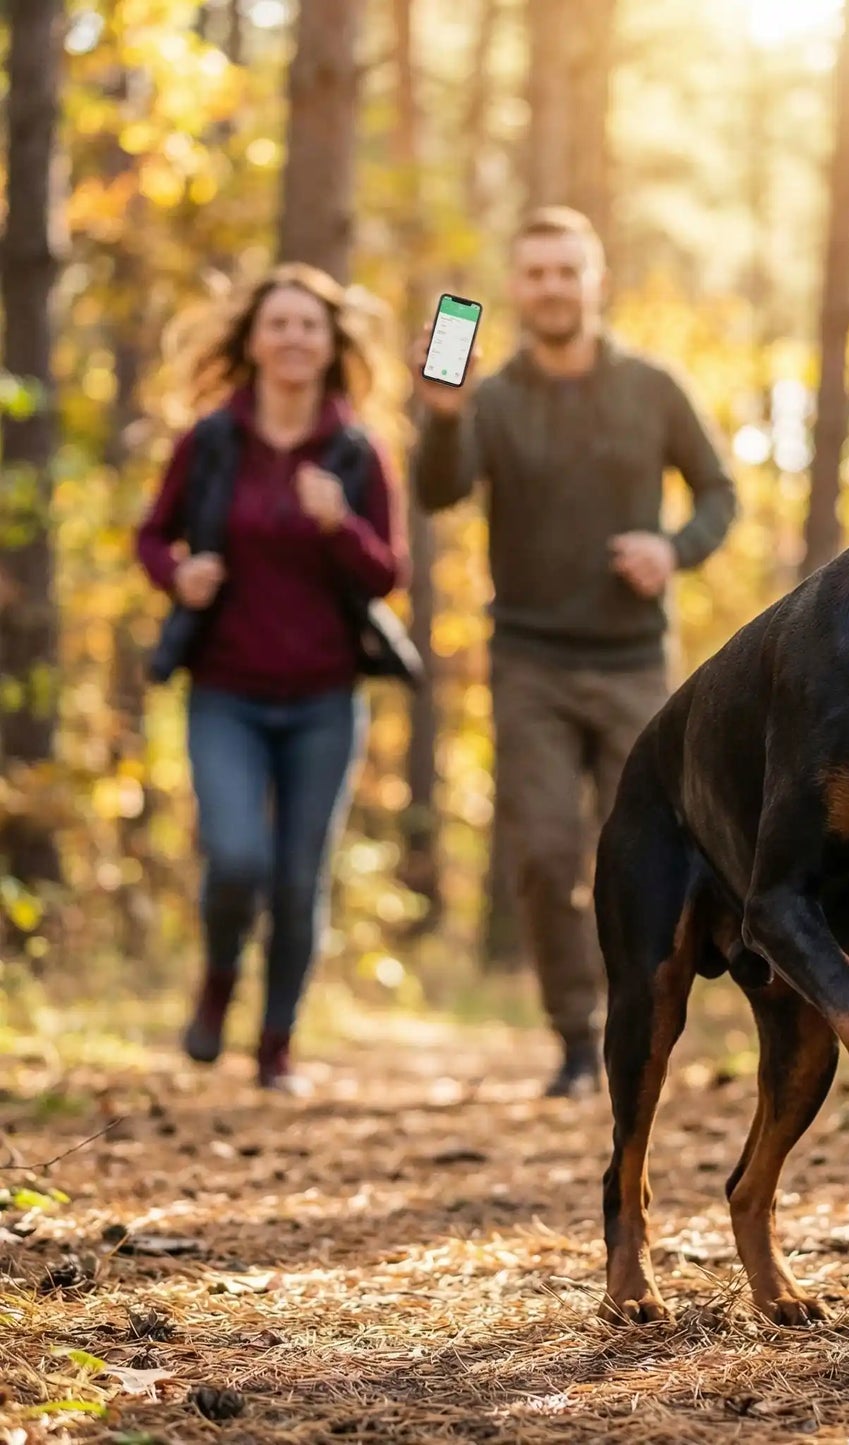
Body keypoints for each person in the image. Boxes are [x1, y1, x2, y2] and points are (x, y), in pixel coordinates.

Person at [412, 207, 737, 1099]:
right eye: (536, 273)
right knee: (547, 853)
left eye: (567, 271)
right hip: (530, 662)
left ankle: (642, 1019)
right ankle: (572, 1033)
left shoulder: (652, 386)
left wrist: (673, 548)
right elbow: (438, 492)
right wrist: (441, 416)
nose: (552, 287)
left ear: (595, 281)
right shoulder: (492, 399)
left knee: (651, 855)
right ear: (516, 288)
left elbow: (718, 491)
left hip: (635, 661)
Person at [137, 263, 409, 1093]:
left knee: (298, 878)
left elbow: (387, 573)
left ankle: (276, 1044)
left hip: (325, 697)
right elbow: (152, 536)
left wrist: (339, 524)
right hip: (226, 692)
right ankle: (219, 980)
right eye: (278, 324)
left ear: (330, 345)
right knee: (235, 857)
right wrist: (178, 574)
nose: (293, 338)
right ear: (253, 341)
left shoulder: (357, 451)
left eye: (308, 326)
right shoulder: (211, 440)